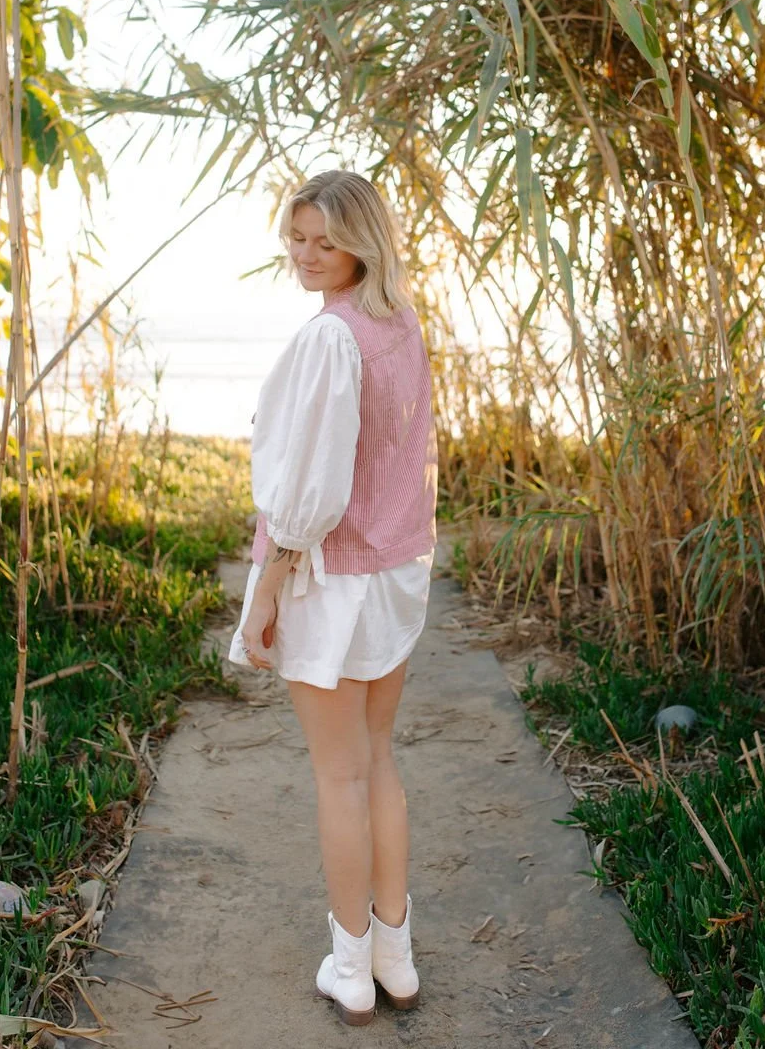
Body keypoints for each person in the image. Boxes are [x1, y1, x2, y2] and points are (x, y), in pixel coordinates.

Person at [229, 169, 439, 1027]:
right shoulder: (401, 322)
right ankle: (396, 956)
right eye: (297, 237)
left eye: (326, 241)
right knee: (377, 757)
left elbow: (309, 495)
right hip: (394, 572)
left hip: (334, 578)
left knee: (338, 773)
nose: (307, 255)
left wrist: (269, 587)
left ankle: (351, 966)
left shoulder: (332, 341)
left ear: (364, 240)